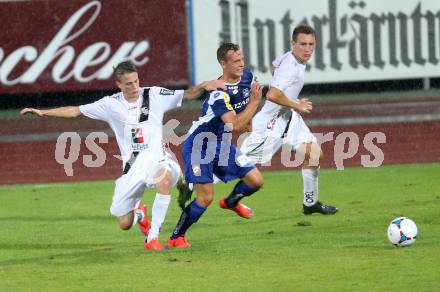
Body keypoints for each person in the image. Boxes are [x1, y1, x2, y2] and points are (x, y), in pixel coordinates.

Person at [20, 60, 225, 251]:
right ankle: (139, 214)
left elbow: (188, 94)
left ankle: (152, 238)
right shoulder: (110, 105)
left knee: (163, 179)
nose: (134, 86)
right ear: (118, 84)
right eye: (128, 84)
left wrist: (204, 85)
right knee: (124, 224)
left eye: (136, 81)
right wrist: (42, 112)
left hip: (156, 157)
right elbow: (75, 111)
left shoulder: (154, 94)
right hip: (132, 166)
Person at [167, 43, 264, 248]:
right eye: (236, 61)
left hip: (221, 144)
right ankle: (177, 237)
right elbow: (234, 124)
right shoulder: (218, 93)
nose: (241, 64)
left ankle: (231, 202)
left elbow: (242, 105)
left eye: (242, 59)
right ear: (223, 63)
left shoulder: (246, 76)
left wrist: (250, 122)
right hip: (199, 147)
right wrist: (255, 104)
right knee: (206, 198)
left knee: (256, 181)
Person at [240, 24, 338, 215]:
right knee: (239, 163)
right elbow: (273, 95)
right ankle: (193, 183)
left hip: (287, 118)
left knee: (314, 155)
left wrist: (289, 100)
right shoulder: (291, 67)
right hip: (271, 122)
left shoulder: (288, 58)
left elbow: (273, 66)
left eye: (311, 44)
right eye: (302, 44)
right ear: (293, 43)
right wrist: (296, 104)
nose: (307, 49)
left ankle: (310, 203)